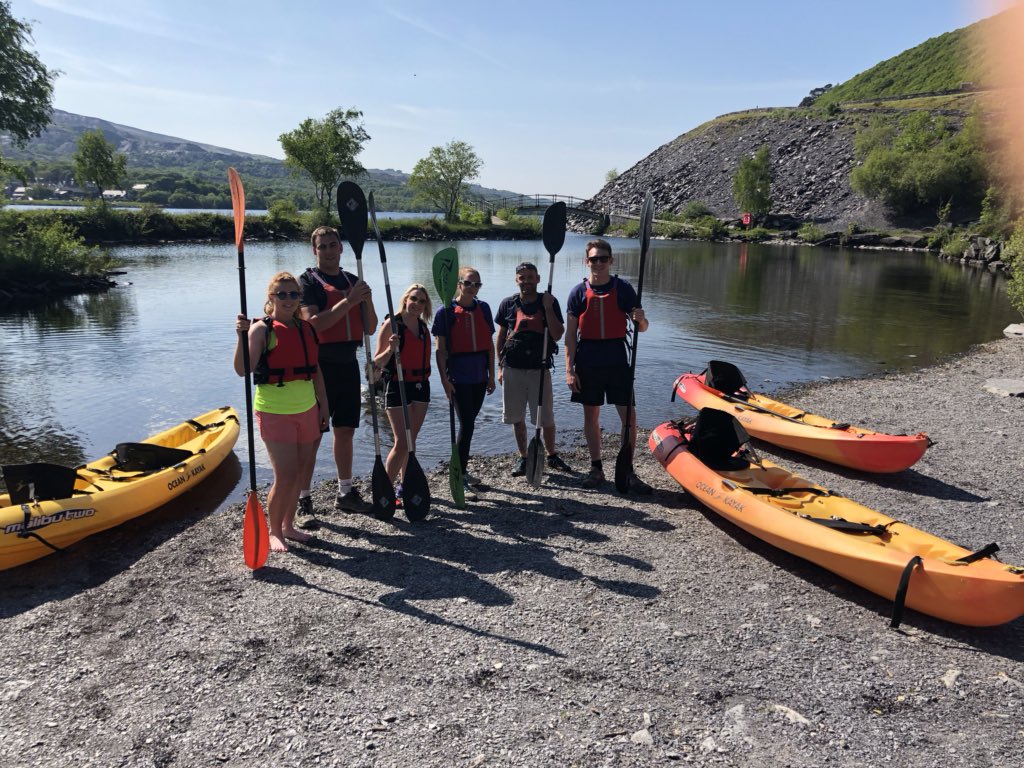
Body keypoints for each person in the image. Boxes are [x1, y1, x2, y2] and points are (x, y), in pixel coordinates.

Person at [233, 271, 329, 553]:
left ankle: (288, 525)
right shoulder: (262, 329)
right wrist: (240, 337)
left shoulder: (306, 328)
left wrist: (323, 405)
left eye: (294, 294)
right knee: (285, 476)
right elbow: (243, 369)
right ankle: (274, 531)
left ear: (300, 297)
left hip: (307, 408)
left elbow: (317, 372)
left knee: (300, 474)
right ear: (271, 298)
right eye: (282, 294)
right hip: (275, 411)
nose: (289, 299)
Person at [298, 225, 378, 519]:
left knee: (345, 430)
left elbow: (370, 327)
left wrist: (365, 299)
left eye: (333, 245)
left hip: (348, 362)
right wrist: (349, 300)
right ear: (314, 251)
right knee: (314, 435)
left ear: (342, 248)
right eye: (323, 247)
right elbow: (314, 324)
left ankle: (345, 492)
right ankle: (304, 500)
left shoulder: (352, 280)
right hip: (320, 367)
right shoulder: (307, 282)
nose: (329, 251)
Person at [565, 239, 652, 493]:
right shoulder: (577, 293)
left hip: (616, 359)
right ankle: (596, 468)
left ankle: (627, 469)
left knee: (629, 417)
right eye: (594, 259)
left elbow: (642, 328)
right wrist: (570, 370)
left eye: (603, 258)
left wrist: (641, 319)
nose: (599, 263)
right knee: (591, 415)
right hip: (588, 360)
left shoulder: (623, 289)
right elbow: (570, 336)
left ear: (611, 261)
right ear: (587, 261)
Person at [495, 261, 572, 476]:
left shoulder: (549, 301)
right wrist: (499, 368)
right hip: (512, 369)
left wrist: (547, 307)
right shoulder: (507, 304)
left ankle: (552, 455)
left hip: (540, 369)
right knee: (516, 417)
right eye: (522, 278)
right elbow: (500, 336)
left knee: (545, 417)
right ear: (516, 280)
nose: (526, 281)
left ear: (538, 279)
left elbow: (557, 334)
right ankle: (523, 458)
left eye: (530, 277)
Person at [432, 267, 496, 497]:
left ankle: (463, 470)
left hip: (479, 377)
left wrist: (491, 374)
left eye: (477, 285)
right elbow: (440, 351)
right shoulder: (445, 312)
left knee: (468, 426)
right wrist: (444, 380)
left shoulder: (484, 308)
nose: (472, 288)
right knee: (467, 424)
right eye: (468, 283)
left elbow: (490, 345)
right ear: (459, 284)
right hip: (458, 378)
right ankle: (459, 473)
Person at [373, 284, 432, 504]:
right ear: (406, 299)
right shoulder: (392, 325)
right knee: (401, 443)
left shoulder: (423, 327)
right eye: (414, 299)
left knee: (411, 440)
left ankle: (405, 486)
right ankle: (385, 489)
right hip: (398, 385)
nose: (417, 304)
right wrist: (390, 349)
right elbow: (375, 364)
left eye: (422, 301)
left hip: (420, 386)